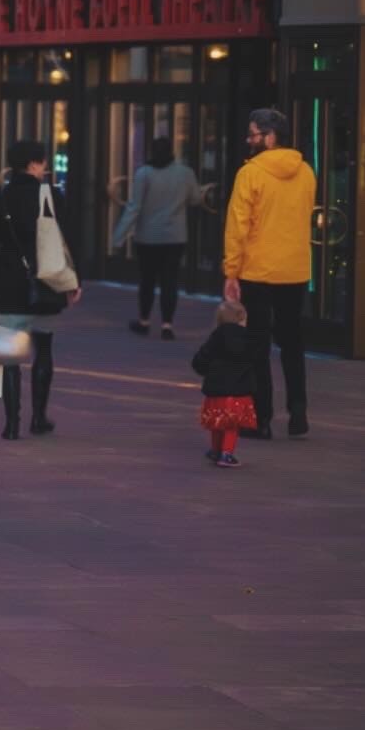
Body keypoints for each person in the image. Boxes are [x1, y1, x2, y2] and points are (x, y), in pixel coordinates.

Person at [222, 108, 317, 439]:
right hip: (296, 268)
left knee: (257, 344)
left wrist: (231, 270)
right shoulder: (306, 172)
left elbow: (238, 225)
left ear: (270, 136)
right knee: (293, 341)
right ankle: (298, 410)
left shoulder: (250, 174)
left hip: (258, 270)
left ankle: (261, 417)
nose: (249, 141)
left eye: (254, 135)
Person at [0, 139, 82, 440]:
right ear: (34, 164)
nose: (45, 168)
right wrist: (74, 281)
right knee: (44, 349)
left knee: (10, 359)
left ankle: (11, 424)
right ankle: (39, 417)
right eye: (42, 162)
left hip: (9, 285)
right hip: (46, 284)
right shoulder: (52, 195)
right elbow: (67, 242)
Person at [111, 135, 207, 340]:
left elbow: (134, 208)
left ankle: (144, 321)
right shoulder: (185, 173)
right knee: (170, 281)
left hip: (147, 237)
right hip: (175, 237)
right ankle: (167, 325)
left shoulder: (143, 173)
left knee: (147, 281)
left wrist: (119, 236)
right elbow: (196, 199)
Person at [190, 299, 265, 468]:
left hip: (216, 391)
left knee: (217, 422)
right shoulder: (249, 340)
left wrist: (203, 369)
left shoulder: (215, 338)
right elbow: (257, 359)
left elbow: (202, 358)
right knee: (232, 425)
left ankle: (215, 450)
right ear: (241, 318)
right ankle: (227, 453)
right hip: (238, 391)